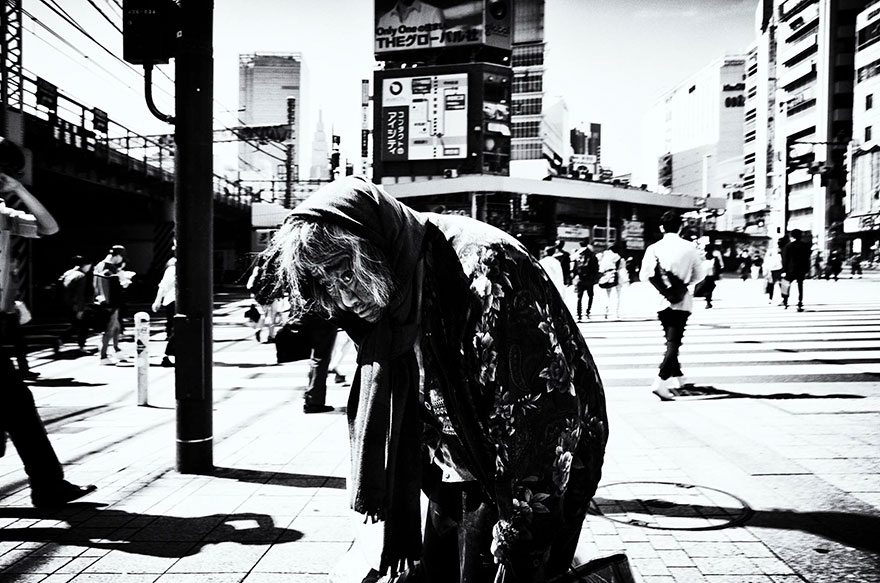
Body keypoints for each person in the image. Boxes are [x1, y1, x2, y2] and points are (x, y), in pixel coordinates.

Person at [261, 176, 608, 581]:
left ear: (375, 249)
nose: (346, 299)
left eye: (347, 276)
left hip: (529, 465)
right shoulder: (390, 292)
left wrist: (517, 535)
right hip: (460, 457)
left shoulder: (480, 267)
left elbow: (542, 421)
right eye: (327, 284)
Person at [0, 138, 96, 507]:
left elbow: (48, 227)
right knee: (17, 406)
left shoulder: (3, 213)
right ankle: (48, 485)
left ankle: (48, 485)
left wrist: (19, 191)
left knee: (17, 406)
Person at [639, 211, 705, 401]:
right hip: (681, 300)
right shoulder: (690, 248)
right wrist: (683, 285)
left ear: (662, 228)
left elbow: (644, 275)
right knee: (674, 343)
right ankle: (660, 382)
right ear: (680, 227)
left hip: (661, 300)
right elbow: (700, 275)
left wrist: (665, 288)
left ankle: (679, 377)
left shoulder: (653, 248)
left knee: (671, 339)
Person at [93, 245, 131, 364]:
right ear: (118, 256)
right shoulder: (110, 268)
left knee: (116, 327)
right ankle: (103, 356)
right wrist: (124, 280)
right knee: (110, 328)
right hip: (111, 302)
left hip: (102, 300)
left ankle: (116, 350)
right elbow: (113, 286)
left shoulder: (99, 265)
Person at [0, 257, 37, 378]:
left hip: (10, 313)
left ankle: (24, 369)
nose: (16, 265)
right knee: (19, 343)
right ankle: (23, 370)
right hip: (5, 314)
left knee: (20, 343)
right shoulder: (5, 276)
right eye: (14, 262)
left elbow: (15, 292)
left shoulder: (11, 276)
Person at [59, 255, 94, 352]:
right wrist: (80, 309)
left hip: (66, 304)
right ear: (86, 265)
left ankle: (60, 340)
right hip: (76, 305)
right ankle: (80, 346)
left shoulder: (68, 273)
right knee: (83, 325)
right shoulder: (81, 276)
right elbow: (79, 295)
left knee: (76, 325)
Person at [151, 253, 176, 368]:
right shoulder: (172, 269)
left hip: (173, 301)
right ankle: (168, 355)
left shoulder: (176, 268)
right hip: (173, 301)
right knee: (175, 329)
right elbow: (163, 286)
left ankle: (171, 355)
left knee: (173, 329)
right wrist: (157, 301)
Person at [782, 229, 811, 312]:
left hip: (790, 269)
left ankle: (785, 301)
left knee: (785, 284)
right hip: (801, 269)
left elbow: (785, 259)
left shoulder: (788, 246)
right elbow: (807, 258)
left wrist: (784, 270)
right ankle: (799, 301)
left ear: (792, 236)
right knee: (800, 285)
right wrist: (807, 269)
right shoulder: (804, 246)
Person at [572, 238, 599, 321]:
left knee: (579, 297)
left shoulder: (577, 254)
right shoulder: (592, 255)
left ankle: (579, 314)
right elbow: (596, 268)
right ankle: (587, 312)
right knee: (590, 296)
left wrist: (575, 277)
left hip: (580, 278)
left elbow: (574, 268)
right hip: (589, 279)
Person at [597, 243, 624, 320]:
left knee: (607, 295)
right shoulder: (617, 256)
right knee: (617, 295)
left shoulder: (604, 257)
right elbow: (620, 268)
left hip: (606, 276)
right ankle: (616, 313)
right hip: (615, 276)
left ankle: (606, 312)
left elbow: (601, 269)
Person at [763, 240, 784, 304]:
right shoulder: (778, 251)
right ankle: (782, 298)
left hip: (773, 269)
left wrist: (765, 270)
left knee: (772, 285)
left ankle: (771, 299)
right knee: (778, 284)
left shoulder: (773, 251)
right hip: (777, 269)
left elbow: (766, 262)